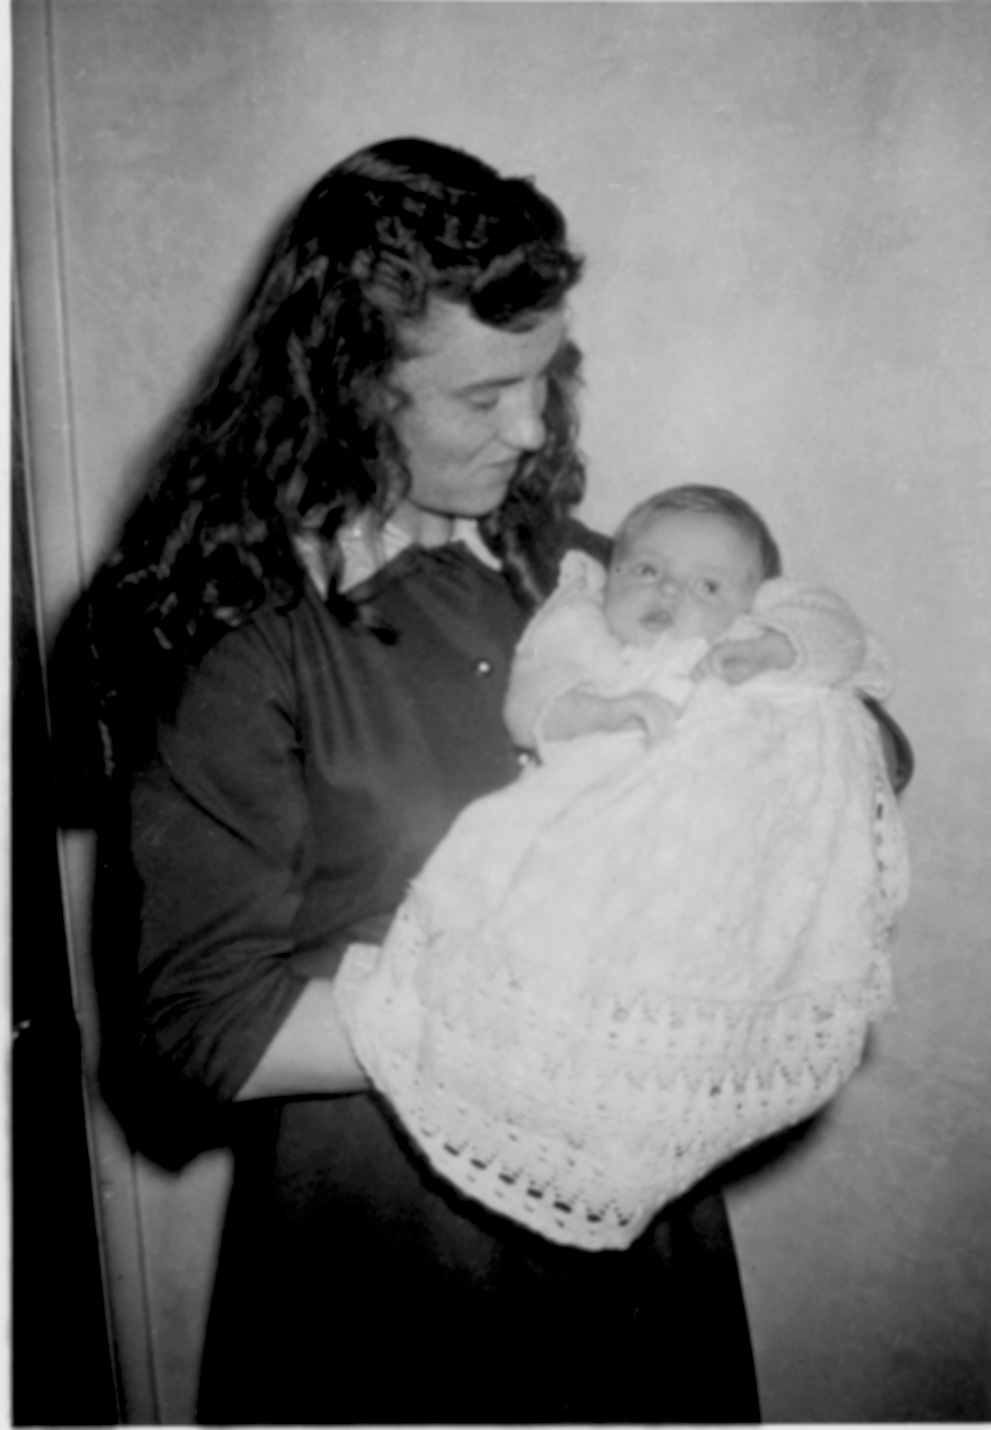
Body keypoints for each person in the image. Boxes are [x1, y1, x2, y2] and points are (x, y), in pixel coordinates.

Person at [84, 137, 909, 1424]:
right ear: (345, 386)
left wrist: (785, 711)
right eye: (482, 397)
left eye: (545, 377)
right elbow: (197, 1035)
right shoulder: (241, 637)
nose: (530, 431)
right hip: (396, 1252)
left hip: (634, 1207)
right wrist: (527, 1010)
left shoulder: (562, 568)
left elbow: (855, 731)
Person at [337, 484, 910, 1252]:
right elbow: (536, 698)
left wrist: (773, 652)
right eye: (646, 571)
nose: (669, 593)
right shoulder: (583, 626)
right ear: (608, 574)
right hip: (598, 851)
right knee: (521, 888)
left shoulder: (761, 632)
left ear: (752, 598)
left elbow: (834, 637)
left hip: (714, 877)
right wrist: (601, 711)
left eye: (708, 586)